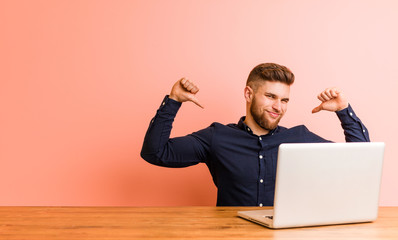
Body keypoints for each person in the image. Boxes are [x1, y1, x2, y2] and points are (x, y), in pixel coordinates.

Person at [141, 63, 370, 206]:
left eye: (284, 100)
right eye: (270, 96)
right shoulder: (217, 137)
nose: (278, 107)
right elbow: (155, 153)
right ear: (249, 94)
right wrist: (173, 102)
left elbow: (360, 161)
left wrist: (344, 110)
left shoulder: (299, 138)